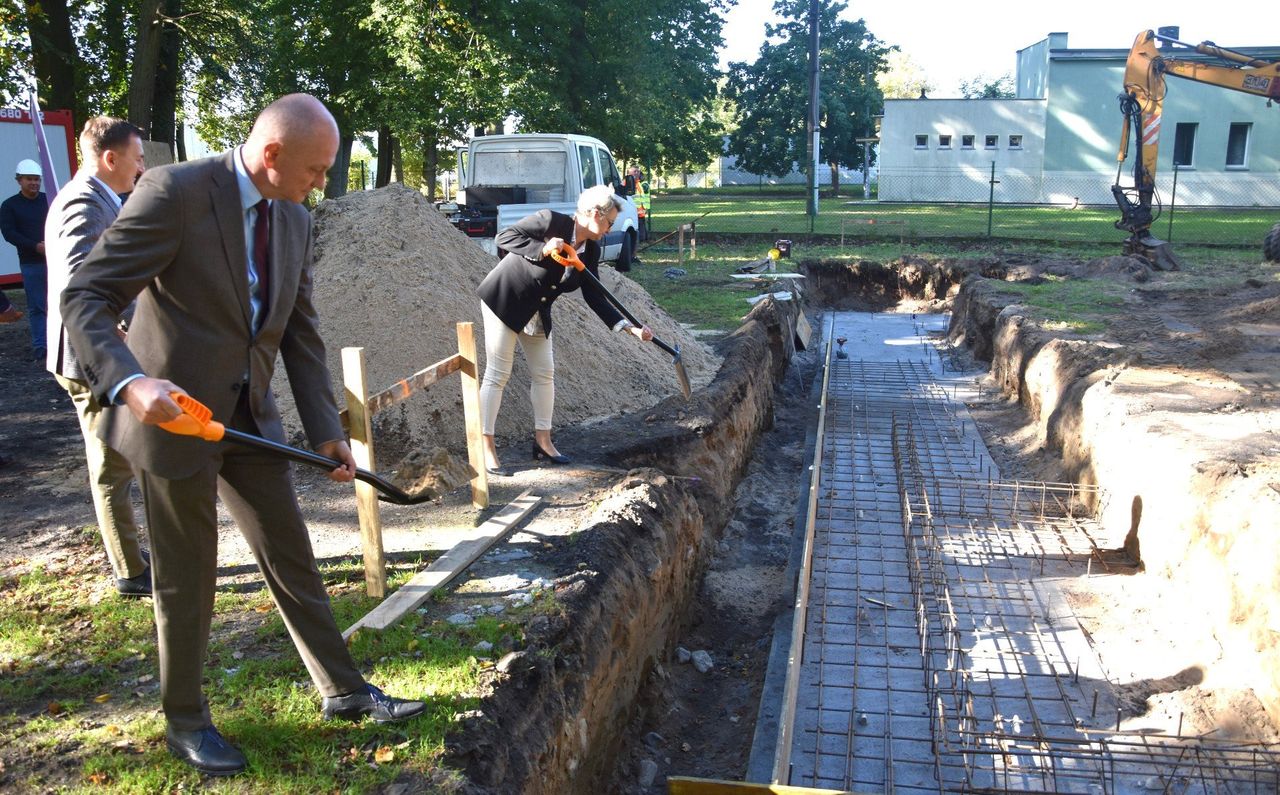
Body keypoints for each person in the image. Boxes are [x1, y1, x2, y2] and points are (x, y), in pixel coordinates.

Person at [60, 94, 424, 777]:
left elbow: (300, 328)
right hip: (172, 417)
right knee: (186, 574)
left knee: (290, 549)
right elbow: (84, 296)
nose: (322, 183)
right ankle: (187, 719)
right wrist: (132, 384)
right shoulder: (175, 192)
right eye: (315, 170)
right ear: (273, 153)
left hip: (251, 419)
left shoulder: (292, 217)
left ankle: (342, 689)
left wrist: (325, 429)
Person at [476, 184, 653, 476]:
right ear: (594, 214)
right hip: (505, 300)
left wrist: (630, 328)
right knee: (498, 373)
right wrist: (542, 248)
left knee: (545, 373)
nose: (610, 228)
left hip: (537, 310)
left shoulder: (591, 250)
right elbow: (504, 237)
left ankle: (543, 442)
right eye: (609, 222)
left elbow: (595, 295)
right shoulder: (550, 220)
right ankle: (486, 447)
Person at [45, 116, 151, 598]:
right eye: (137, 157)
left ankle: (129, 554)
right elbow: (77, 290)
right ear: (110, 158)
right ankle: (130, 571)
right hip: (92, 361)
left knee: (122, 459)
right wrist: (119, 338)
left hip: (100, 356)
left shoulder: (98, 199)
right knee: (112, 464)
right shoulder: (84, 204)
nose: (142, 165)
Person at [0, 159, 48, 359]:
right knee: (37, 306)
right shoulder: (10, 205)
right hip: (31, 263)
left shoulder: (50, 199)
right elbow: (9, 233)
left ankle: (65, 344)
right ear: (19, 180)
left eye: (37, 179)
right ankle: (41, 347)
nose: (34, 183)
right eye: (29, 179)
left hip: (57, 261)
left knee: (63, 303)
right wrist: (35, 246)